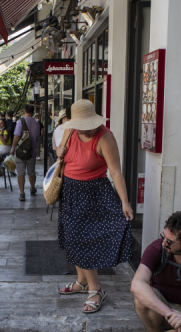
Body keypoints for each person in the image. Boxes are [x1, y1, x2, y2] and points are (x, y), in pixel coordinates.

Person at [56, 99, 134, 313]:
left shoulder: (105, 137)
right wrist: (59, 152)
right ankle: (82, 283)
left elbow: (116, 172)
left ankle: (96, 289)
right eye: (83, 126)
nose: (87, 130)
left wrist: (125, 202)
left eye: (90, 125)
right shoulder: (69, 131)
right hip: (70, 192)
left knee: (83, 241)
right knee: (73, 239)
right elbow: (61, 153)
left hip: (94, 193)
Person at [10, 104, 42, 201]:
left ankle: (22, 193)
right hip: (32, 152)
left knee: (21, 173)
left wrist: (12, 148)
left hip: (20, 152)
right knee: (31, 172)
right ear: (33, 113)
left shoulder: (21, 121)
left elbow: (16, 136)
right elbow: (37, 138)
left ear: (24, 112)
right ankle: (32, 189)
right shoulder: (37, 124)